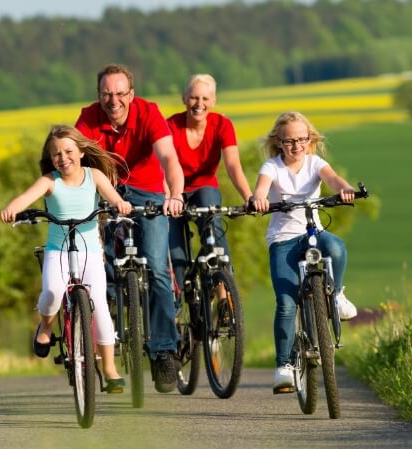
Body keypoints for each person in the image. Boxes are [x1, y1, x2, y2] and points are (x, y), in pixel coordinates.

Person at [75, 63, 185, 393]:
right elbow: (76, 161)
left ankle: (164, 351)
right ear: (99, 95)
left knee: (157, 269)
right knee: (99, 268)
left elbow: (168, 158)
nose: (114, 100)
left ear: (131, 94)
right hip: (107, 193)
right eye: (107, 93)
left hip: (148, 191)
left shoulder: (149, 112)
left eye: (120, 93)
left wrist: (176, 194)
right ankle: (100, 341)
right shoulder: (88, 118)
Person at [0, 125, 133, 393]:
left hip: (90, 252)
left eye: (69, 151)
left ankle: (108, 368)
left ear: (81, 152)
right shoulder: (50, 181)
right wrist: (12, 209)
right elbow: (25, 198)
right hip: (57, 251)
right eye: (56, 154)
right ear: (51, 158)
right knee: (52, 292)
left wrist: (121, 205)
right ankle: (46, 328)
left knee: (100, 307)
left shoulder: (94, 176)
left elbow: (113, 197)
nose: (63, 158)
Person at [248, 111, 359, 393]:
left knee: (335, 245)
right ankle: (284, 366)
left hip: (313, 233)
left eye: (302, 139)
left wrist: (345, 190)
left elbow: (333, 179)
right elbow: (261, 188)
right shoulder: (272, 167)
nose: (296, 146)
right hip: (283, 240)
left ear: (310, 139)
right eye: (289, 141)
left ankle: (337, 295)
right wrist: (259, 199)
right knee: (286, 303)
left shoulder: (315, 163)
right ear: (279, 142)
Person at [166, 74, 253, 293]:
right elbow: (161, 166)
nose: (199, 104)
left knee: (212, 218)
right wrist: (169, 198)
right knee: (175, 253)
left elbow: (233, 165)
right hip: (172, 191)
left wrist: (249, 197)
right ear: (184, 99)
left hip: (203, 188)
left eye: (205, 98)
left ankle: (224, 289)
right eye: (194, 98)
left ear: (213, 101)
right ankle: (175, 312)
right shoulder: (170, 126)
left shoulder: (222, 125)